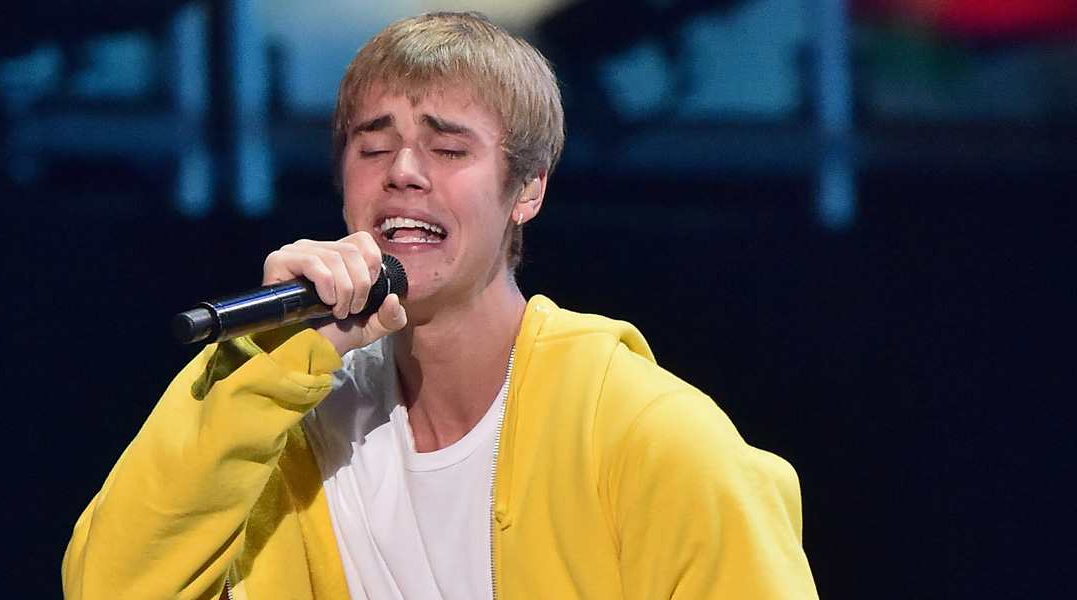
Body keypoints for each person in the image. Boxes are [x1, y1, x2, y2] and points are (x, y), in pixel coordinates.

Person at [62, 11, 817, 599]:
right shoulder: (283, 417)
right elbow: (107, 585)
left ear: (528, 190)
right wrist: (268, 364)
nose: (404, 171)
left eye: (449, 149)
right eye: (372, 146)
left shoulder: (647, 435)